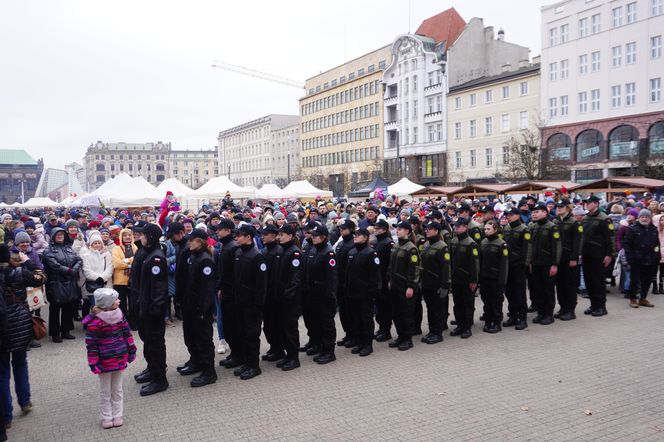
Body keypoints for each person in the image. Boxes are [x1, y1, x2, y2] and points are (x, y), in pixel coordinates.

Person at [83, 288, 136, 429]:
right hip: (104, 362)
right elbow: (91, 344)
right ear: (108, 303)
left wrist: (131, 350)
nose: (119, 301)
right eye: (116, 299)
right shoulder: (95, 322)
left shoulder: (120, 315)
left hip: (119, 359)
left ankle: (117, 415)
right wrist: (94, 362)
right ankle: (107, 417)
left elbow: (127, 334)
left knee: (117, 388)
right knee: (106, 391)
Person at [1, 245, 42, 427]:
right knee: (20, 364)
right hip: (19, 324)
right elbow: (40, 278)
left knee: (2, 373)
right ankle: (24, 402)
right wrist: (29, 263)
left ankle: (6, 416)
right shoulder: (18, 272)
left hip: (2, 327)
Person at [177, 228, 218, 387]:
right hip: (190, 306)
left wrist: (203, 309)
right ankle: (196, 362)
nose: (189, 243)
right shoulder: (193, 257)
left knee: (204, 340)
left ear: (200, 241)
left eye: (192, 240)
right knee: (191, 337)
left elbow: (208, 289)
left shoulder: (205, 259)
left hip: (200, 309)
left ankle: (209, 372)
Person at [134, 223, 169, 396]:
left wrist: (155, 309)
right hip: (146, 306)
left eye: (143, 235)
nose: (140, 238)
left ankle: (160, 379)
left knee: (155, 344)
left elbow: (159, 287)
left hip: (153, 310)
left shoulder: (156, 257)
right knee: (149, 342)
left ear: (151, 237)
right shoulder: (148, 254)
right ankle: (152, 371)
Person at [232, 225, 267, 379]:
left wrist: (257, 304)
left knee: (252, 335)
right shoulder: (239, 252)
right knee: (242, 333)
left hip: (252, 304)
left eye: (240, 235)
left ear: (248, 237)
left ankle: (254, 365)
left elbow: (261, 284)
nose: (237, 238)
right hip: (241, 301)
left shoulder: (256, 256)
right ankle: (247, 362)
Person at [303, 223, 338, 363]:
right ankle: (321, 347)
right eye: (313, 235)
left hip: (325, 295)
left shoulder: (328, 253)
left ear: (324, 237)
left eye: (316, 236)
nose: (314, 238)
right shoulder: (314, 250)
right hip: (314, 294)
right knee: (317, 322)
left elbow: (332, 276)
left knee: (327, 324)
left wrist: (330, 294)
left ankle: (329, 351)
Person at [345, 228, 381, 356]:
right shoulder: (352, 252)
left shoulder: (371, 253)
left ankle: (367, 344)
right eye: (355, 235)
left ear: (365, 238)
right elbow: (348, 274)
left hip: (365, 293)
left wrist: (373, 292)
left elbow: (374, 275)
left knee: (366, 319)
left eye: (358, 235)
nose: (355, 237)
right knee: (356, 318)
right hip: (353, 292)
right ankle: (360, 342)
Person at [43, 227, 82, 342]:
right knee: (55, 309)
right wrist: (69, 271)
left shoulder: (69, 248)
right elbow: (54, 265)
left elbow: (79, 260)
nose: (60, 236)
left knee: (68, 307)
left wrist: (74, 269)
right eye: (57, 234)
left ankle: (66, 330)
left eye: (62, 234)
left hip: (70, 281)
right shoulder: (48, 250)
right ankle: (55, 333)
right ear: (53, 236)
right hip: (56, 283)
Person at [273, 224, 303, 371]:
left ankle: (294, 357)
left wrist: (287, 295)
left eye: (282, 235)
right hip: (281, 296)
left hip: (290, 299)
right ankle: (287, 354)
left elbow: (295, 279)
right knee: (283, 327)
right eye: (279, 235)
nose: (279, 237)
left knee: (290, 328)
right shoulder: (282, 250)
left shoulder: (294, 253)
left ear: (291, 236)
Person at [387, 220, 420, 350]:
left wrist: (411, 286)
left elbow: (414, 269)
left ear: (407, 231)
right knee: (396, 313)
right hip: (395, 285)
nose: (397, 231)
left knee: (406, 313)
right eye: (397, 229)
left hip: (405, 286)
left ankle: (408, 339)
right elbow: (391, 265)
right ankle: (400, 336)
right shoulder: (396, 246)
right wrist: (389, 280)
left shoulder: (411, 248)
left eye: (400, 229)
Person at [527, 202, 562, 325]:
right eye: (533, 212)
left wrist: (554, 264)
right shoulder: (533, 227)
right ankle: (541, 312)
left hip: (547, 263)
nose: (534, 214)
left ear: (545, 213)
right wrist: (530, 262)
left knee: (548, 289)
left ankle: (548, 314)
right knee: (538, 289)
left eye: (537, 212)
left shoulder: (552, 227)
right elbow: (530, 246)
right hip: (536, 263)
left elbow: (556, 247)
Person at [581, 196, 616, 316]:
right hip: (587, 254)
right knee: (589, 281)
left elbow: (610, 238)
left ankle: (601, 306)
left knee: (598, 281)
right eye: (586, 203)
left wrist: (610, 254)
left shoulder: (604, 218)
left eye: (589, 202)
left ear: (596, 204)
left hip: (599, 255)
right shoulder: (585, 218)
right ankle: (593, 304)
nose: (587, 204)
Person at [419, 221, 451, 344]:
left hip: (437, 283)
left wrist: (445, 285)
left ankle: (437, 333)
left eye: (429, 229)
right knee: (430, 308)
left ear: (436, 231)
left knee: (437, 309)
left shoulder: (442, 246)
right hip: (427, 283)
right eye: (426, 229)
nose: (426, 231)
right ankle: (432, 331)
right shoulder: (427, 244)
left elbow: (446, 267)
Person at [449, 218, 480, 339]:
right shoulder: (454, 241)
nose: (456, 228)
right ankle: (460, 325)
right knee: (457, 304)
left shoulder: (471, 243)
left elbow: (475, 264)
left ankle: (467, 327)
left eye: (459, 226)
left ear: (466, 227)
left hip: (467, 279)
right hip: (456, 278)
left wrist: (474, 280)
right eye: (456, 226)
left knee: (467, 303)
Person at [216, 219, 241, 369]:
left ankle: (238, 354)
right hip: (225, 290)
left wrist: (224, 289)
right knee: (228, 324)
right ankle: (234, 353)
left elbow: (232, 273)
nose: (218, 232)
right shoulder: (225, 246)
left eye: (221, 229)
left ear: (229, 231)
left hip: (231, 292)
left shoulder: (232, 247)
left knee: (233, 325)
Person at [502, 208, 531, 330]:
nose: (509, 217)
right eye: (508, 215)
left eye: (511, 215)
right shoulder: (507, 228)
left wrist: (525, 263)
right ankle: (513, 316)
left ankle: (522, 318)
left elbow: (528, 248)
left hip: (518, 265)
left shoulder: (524, 229)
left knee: (519, 293)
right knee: (509, 292)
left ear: (518, 216)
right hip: (508, 265)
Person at [623, 209, 658, 308]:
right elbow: (626, 244)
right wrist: (629, 257)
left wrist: (656, 256)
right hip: (636, 259)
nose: (644, 218)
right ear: (639, 218)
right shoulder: (632, 228)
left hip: (650, 259)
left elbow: (657, 245)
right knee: (634, 280)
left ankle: (643, 298)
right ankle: (633, 299)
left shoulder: (654, 229)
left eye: (646, 217)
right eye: (642, 217)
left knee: (647, 280)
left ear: (650, 218)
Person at [554, 199, 583, 320]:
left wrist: (574, 258)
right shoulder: (555, 221)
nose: (559, 208)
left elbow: (578, 241)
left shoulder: (574, 222)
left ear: (567, 208)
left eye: (562, 206)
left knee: (569, 285)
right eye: (558, 207)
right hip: (558, 258)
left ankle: (570, 310)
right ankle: (563, 308)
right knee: (560, 285)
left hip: (569, 258)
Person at [259, 224, 284, 362]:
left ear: (273, 236)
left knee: (276, 323)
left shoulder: (279, 251)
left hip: (275, 294)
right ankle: (274, 347)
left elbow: (278, 276)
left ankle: (279, 349)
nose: (262, 237)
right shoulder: (263, 252)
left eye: (265, 234)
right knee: (268, 324)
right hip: (266, 294)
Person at [479, 220, 509, 333]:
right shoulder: (483, 242)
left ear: (495, 230)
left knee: (496, 301)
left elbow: (504, 264)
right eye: (485, 229)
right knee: (486, 300)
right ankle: (488, 320)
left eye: (488, 229)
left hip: (496, 278)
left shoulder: (501, 244)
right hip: (485, 277)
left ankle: (496, 322)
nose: (486, 231)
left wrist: (502, 281)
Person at [80, 231, 114, 317]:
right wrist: (97, 278)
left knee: (106, 307)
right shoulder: (86, 255)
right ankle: (93, 326)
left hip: (106, 284)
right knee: (95, 308)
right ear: (91, 244)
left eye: (99, 243)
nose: (97, 245)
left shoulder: (107, 254)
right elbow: (86, 270)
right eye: (95, 243)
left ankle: (104, 326)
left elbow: (110, 267)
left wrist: (103, 278)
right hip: (93, 285)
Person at [334, 219, 356, 348]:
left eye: (344, 228)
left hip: (349, 282)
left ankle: (354, 335)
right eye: (340, 228)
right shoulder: (340, 243)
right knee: (343, 311)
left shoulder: (353, 243)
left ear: (351, 229)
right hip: (340, 282)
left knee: (351, 310)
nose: (341, 230)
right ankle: (348, 333)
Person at [372, 219, 394, 342]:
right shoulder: (376, 242)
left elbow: (390, 263)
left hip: (384, 279)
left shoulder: (388, 243)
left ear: (385, 230)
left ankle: (386, 330)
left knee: (385, 306)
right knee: (379, 306)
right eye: (375, 228)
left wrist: (388, 278)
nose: (375, 230)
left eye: (378, 228)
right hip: (377, 279)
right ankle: (381, 328)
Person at [112, 228, 137, 328]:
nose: (127, 237)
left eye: (129, 235)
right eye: (125, 235)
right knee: (121, 304)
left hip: (133, 279)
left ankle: (134, 323)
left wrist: (126, 261)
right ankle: (123, 324)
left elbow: (137, 261)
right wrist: (130, 263)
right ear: (121, 237)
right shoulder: (116, 248)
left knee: (133, 303)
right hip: (119, 281)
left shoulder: (135, 248)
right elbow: (116, 264)